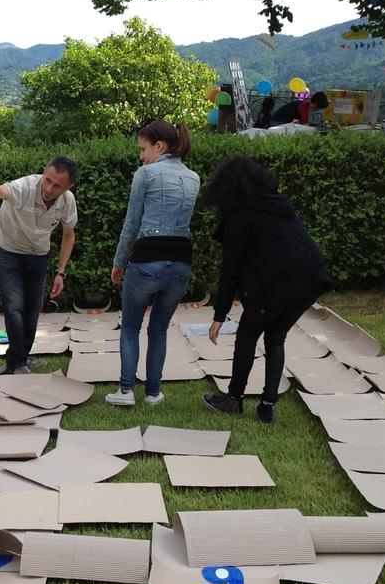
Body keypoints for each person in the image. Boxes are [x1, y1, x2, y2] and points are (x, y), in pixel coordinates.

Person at [200, 156, 330, 424]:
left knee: (247, 335)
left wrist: (219, 314)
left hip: (278, 281)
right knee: (275, 336)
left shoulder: (240, 216)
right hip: (311, 277)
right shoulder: (277, 204)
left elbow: (231, 270)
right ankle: (267, 405)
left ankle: (233, 400)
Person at [106, 120, 198, 407]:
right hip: (181, 261)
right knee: (158, 330)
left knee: (131, 326)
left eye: (143, 149)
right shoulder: (194, 177)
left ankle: (125, 391)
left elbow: (132, 223)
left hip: (147, 258)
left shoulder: (145, 174)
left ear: (159, 146)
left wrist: (119, 261)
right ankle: (153, 393)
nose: (141, 156)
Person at [0, 157, 78, 374]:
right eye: (47, 180)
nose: (49, 188)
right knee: (14, 306)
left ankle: (22, 358)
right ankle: (17, 362)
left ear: (68, 187)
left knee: (33, 309)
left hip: (38, 254)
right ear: (43, 171)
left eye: (57, 186)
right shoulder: (24, 186)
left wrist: (60, 273)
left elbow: (68, 235)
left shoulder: (68, 201)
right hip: (7, 249)